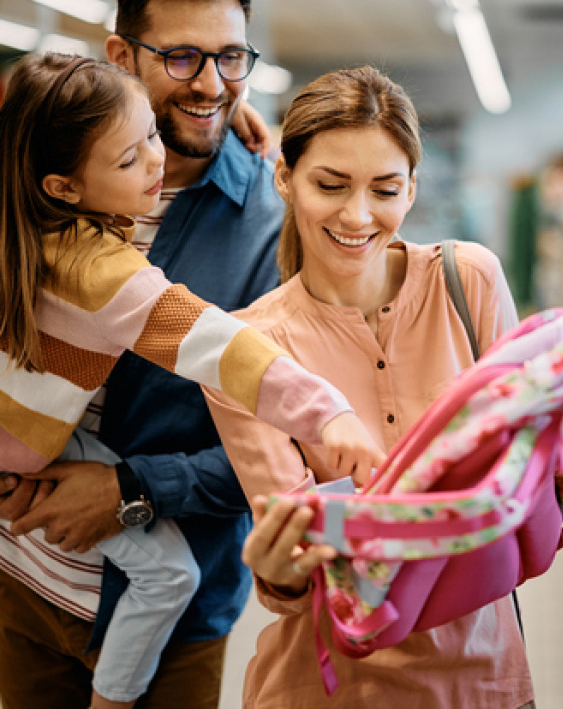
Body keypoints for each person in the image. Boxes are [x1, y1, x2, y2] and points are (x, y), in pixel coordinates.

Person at [204, 65, 563, 709]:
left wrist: (555, 479)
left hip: (484, 682)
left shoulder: (467, 283)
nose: (358, 215)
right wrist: (278, 572)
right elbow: (295, 575)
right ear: (285, 178)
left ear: (413, 188)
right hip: (327, 690)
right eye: (330, 185)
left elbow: (525, 515)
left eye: (385, 189)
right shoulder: (249, 350)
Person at [0, 51, 383, 708]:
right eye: (129, 157)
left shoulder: (23, 217)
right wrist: (329, 414)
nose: (156, 161)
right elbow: (228, 350)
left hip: (24, 453)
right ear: (62, 184)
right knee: (169, 574)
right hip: (29, 467)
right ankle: (114, 698)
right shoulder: (109, 277)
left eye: (151, 131)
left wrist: (225, 119)